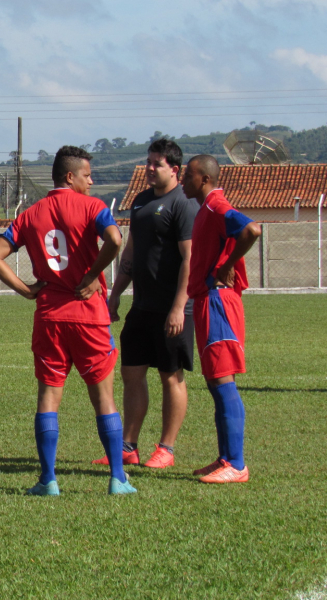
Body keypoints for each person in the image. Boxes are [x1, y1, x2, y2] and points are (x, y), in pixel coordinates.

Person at [0, 145, 135, 496]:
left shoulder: (31, 214)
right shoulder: (94, 207)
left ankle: (48, 480)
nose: (91, 181)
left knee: (49, 397)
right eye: (87, 175)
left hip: (50, 315)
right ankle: (117, 479)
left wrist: (26, 290)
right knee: (103, 398)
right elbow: (115, 238)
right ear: (70, 176)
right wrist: (93, 274)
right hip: (89, 315)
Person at [94, 139, 197, 469]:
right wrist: (115, 295)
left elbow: (189, 259)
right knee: (131, 373)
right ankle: (128, 446)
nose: (150, 168)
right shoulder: (139, 202)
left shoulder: (183, 204)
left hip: (172, 309)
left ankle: (166, 448)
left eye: (157, 164)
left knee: (171, 376)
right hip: (142, 307)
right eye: (149, 162)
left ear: (174, 170)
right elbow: (131, 253)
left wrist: (179, 307)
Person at [181, 154, 261, 484]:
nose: (183, 180)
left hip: (218, 302)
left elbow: (251, 229)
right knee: (215, 382)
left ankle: (238, 464)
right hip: (206, 301)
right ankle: (226, 458)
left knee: (223, 380)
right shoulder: (206, 210)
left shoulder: (215, 206)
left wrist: (228, 266)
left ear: (204, 179)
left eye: (187, 175)